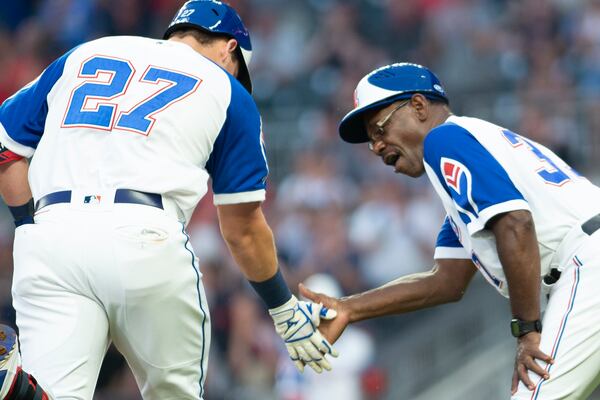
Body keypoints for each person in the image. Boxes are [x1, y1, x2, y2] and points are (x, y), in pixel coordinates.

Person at [0, 1, 338, 399]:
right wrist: (283, 310)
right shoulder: (226, 88)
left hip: (50, 236)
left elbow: (6, 151)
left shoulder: (87, 53)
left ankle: (22, 393)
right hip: (143, 235)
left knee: (54, 392)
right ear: (230, 49)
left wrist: (28, 227)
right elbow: (243, 230)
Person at [300, 62, 600, 399]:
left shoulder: (444, 139)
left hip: (587, 264)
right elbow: (446, 281)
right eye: (371, 140)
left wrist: (527, 329)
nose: (376, 146)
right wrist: (350, 308)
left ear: (418, 106)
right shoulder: (467, 164)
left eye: (380, 128)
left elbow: (515, 222)